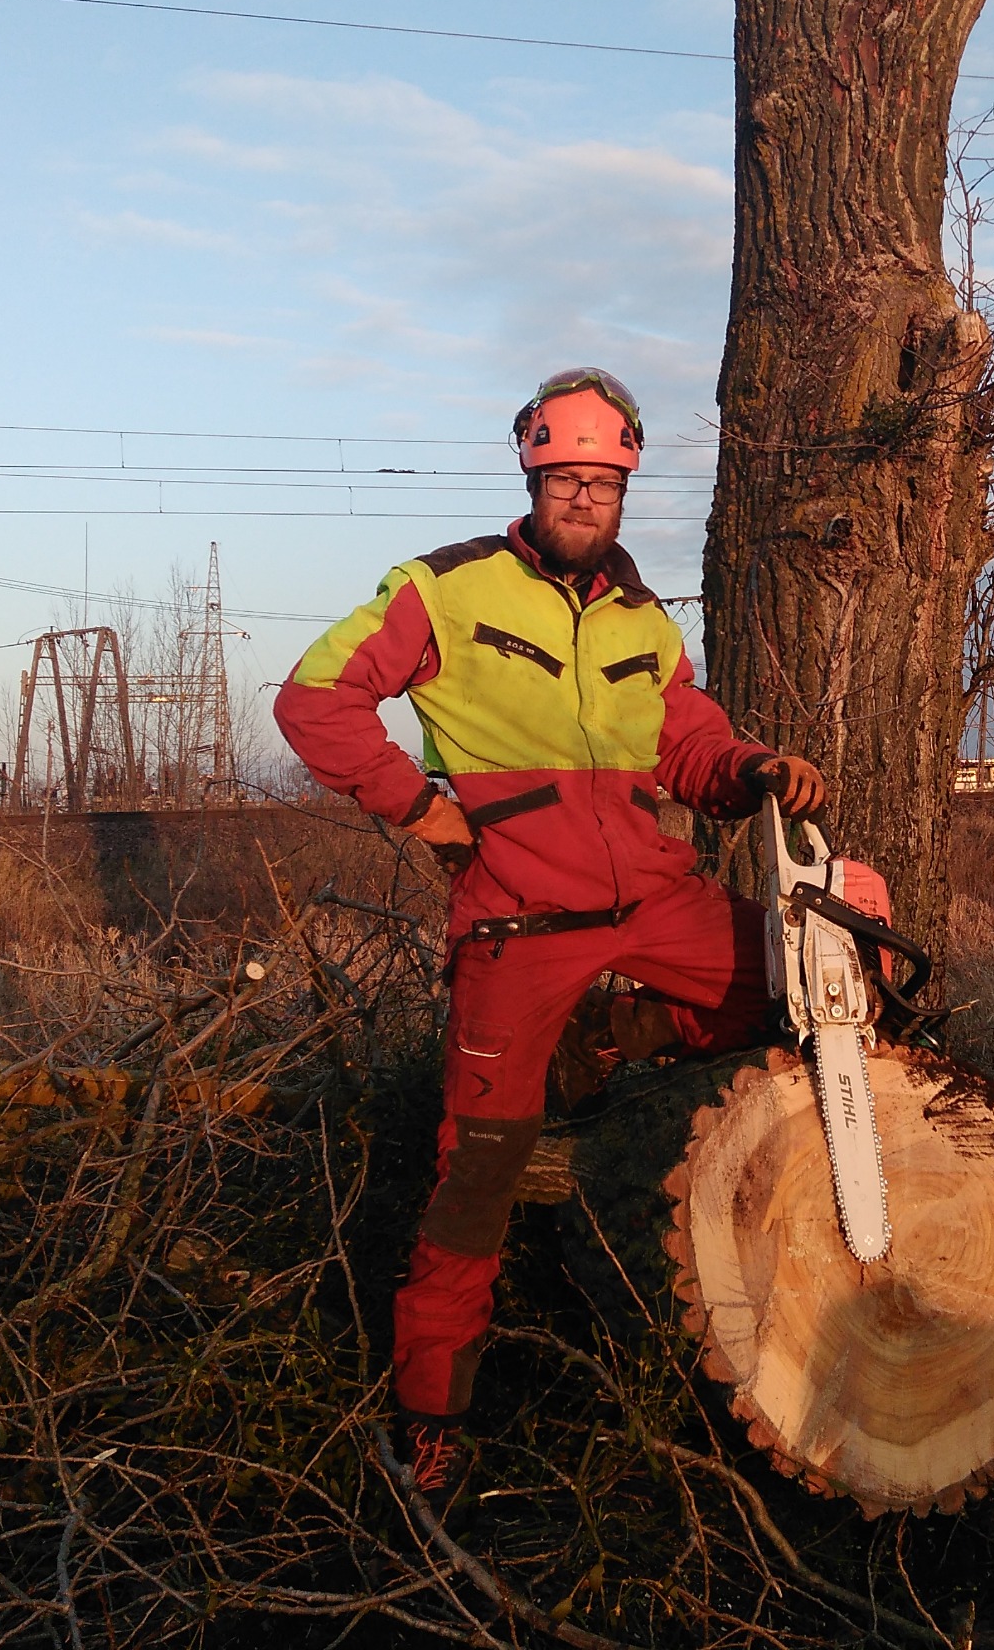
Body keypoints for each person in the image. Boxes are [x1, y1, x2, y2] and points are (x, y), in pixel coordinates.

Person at [273, 368, 824, 1503]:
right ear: (530, 472)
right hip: (517, 921)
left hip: (649, 897)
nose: (582, 495)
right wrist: (417, 805)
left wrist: (754, 768)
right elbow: (315, 696)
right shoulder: (445, 587)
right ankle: (431, 1416)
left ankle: (613, 1037)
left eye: (601, 478)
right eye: (562, 475)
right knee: (476, 1170)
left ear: (626, 480)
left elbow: (690, 747)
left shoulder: (642, 618)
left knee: (791, 983)